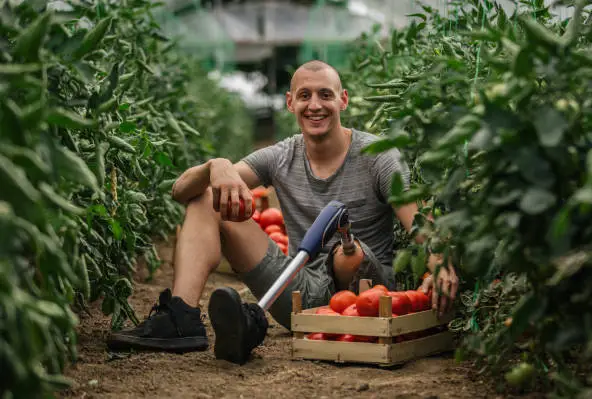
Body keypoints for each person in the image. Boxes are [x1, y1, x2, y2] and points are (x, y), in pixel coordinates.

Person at [106, 60, 459, 363]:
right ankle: (180, 319)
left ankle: (273, 323)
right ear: (290, 103)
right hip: (297, 291)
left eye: (325, 94)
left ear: (343, 100)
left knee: (346, 250)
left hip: (362, 301)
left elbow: (418, 222)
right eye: (304, 95)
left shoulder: (378, 157)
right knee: (204, 197)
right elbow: (180, 190)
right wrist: (217, 166)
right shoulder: (281, 156)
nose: (315, 105)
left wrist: (440, 265)